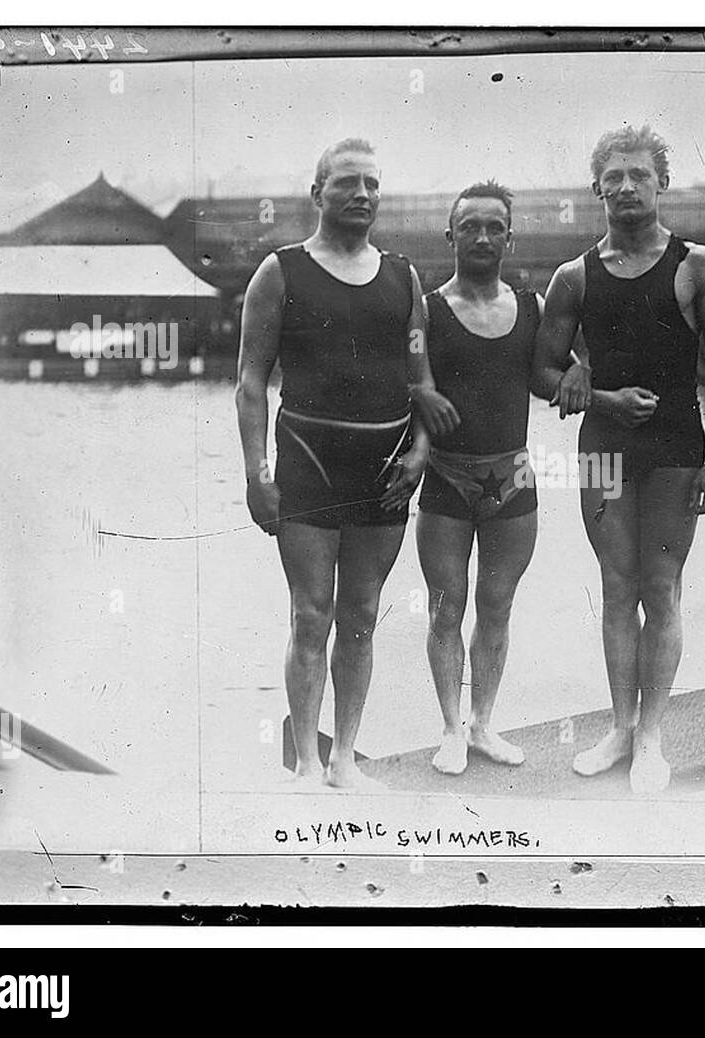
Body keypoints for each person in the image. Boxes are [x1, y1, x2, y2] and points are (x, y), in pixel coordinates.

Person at [235, 137, 458, 791]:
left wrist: (420, 451)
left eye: (371, 185)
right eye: (346, 184)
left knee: (361, 618)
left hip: (383, 468)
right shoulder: (281, 272)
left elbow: (421, 379)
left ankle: (343, 761)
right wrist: (257, 475)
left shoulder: (403, 275)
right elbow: (250, 382)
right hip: (307, 459)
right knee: (311, 614)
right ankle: (306, 762)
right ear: (318, 194)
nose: (361, 195)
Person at [533, 124, 705, 794]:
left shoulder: (697, 267)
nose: (627, 187)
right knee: (617, 587)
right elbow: (542, 370)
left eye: (640, 175)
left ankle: (652, 739)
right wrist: (597, 393)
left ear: (661, 184)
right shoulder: (574, 278)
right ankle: (620, 729)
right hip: (602, 447)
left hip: (677, 447)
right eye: (614, 177)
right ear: (597, 187)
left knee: (661, 588)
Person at [417, 181, 542, 775]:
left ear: (510, 237)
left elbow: (555, 369)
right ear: (451, 235)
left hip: (513, 480)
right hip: (446, 480)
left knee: (496, 607)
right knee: (446, 609)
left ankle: (484, 726)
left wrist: (581, 376)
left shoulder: (532, 306)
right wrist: (422, 400)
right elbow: (406, 380)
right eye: (471, 226)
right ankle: (449, 729)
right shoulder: (428, 308)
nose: (484, 236)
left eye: (495, 227)